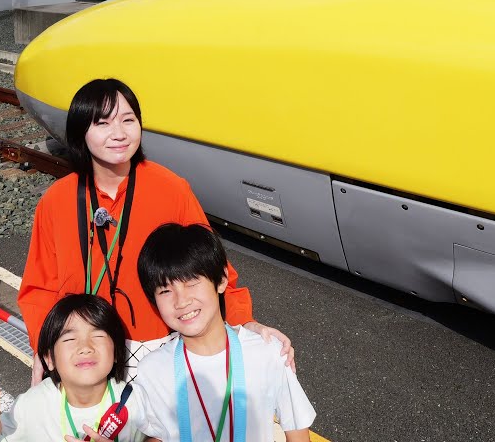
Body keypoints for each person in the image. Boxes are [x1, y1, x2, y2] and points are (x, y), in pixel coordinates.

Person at [19, 79, 293, 382]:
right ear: (80, 133)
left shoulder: (171, 189)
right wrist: (43, 348)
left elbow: (211, 269)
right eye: (103, 124)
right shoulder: (56, 201)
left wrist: (247, 324)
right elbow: (39, 288)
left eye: (128, 120)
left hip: (161, 351)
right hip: (87, 355)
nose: (119, 134)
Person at [134, 224, 316, 442]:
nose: (181, 301)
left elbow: (297, 432)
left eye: (191, 283)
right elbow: (157, 435)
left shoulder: (266, 352)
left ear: (221, 280)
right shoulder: (151, 370)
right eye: (165, 290)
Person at [0, 294, 149, 442]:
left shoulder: (136, 404)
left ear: (117, 352)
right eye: (70, 339)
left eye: (98, 335)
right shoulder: (32, 405)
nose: (85, 347)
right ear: (49, 359)